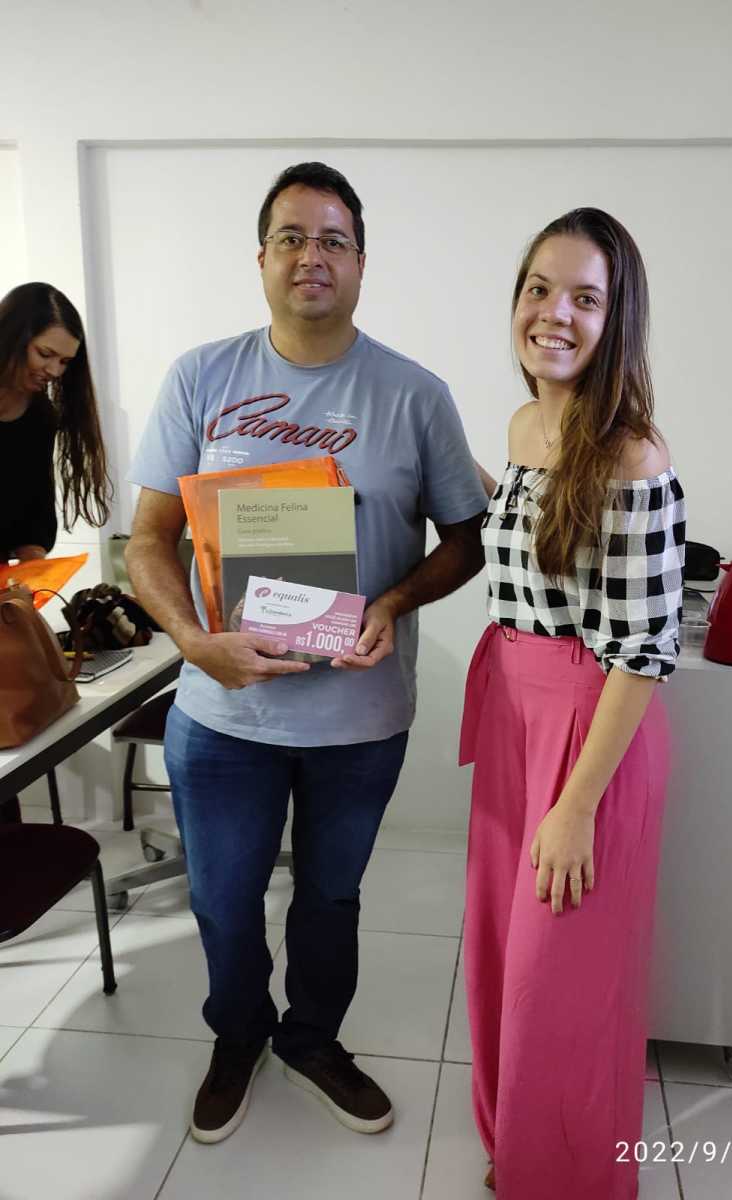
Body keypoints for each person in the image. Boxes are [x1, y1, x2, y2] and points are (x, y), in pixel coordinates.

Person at [125, 161, 486, 1145]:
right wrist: (193, 641)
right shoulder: (201, 376)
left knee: (330, 897)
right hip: (222, 713)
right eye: (291, 237)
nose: (311, 256)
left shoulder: (415, 394)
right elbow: (147, 541)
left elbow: (466, 538)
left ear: (362, 262)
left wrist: (396, 600)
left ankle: (312, 1039)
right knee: (221, 899)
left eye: (332, 239)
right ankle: (238, 1033)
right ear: (262, 259)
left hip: (358, 718)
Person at [459, 208, 686, 1198]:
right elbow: (533, 541)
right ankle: (519, 1149)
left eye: (584, 298)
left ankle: (567, 1178)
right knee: (507, 956)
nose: (554, 313)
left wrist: (577, 804)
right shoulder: (524, 427)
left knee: (564, 979)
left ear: (615, 319)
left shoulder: (633, 455)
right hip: (514, 715)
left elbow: (641, 652)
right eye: (538, 289)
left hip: (590, 735)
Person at [0, 282, 111, 563]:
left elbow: (34, 518)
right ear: (10, 337)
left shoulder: (39, 416)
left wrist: (34, 563)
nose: (54, 371)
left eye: (65, 362)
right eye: (45, 354)